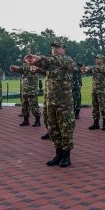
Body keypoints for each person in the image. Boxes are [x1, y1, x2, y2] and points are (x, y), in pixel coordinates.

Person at [24, 40, 75, 168]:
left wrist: (39, 58)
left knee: (65, 129)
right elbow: (47, 67)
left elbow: (53, 61)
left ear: (64, 49)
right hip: (51, 102)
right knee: (53, 129)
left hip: (64, 103)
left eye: (57, 47)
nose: (54, 49)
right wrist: (36, 66)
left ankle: (66, 155)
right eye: (53, 47)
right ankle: (58, 153)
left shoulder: (67, 60)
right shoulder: (51, 63)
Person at [81, 55, 105, 131]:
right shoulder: (94, 68)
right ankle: (96, 123)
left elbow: (98, 69)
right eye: (96, 58)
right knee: (95, 107)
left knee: (103, 107)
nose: (96, 59)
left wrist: (89, 68)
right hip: (94, 90)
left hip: (101, 90)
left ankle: (104, 123)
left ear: (102, 59)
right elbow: (85, 71)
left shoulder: (104, 67)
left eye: (98, 58)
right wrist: (84, 69)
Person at [10, 62, 41, 127]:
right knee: (24, 107)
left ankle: (37, 121)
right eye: (23, 63)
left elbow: (24, 68)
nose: (24, 64)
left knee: (34, 107)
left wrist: (16, 68)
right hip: (25, 92)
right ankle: (26, 120)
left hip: (31, 92)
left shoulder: (33, 68)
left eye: (26, 63)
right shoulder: (24, 72)